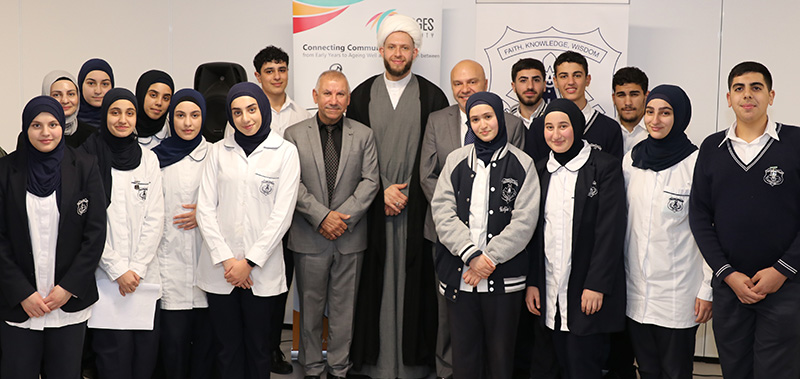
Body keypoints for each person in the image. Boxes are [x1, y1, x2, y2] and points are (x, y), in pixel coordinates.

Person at [345, 13, 449, 378]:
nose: (398, 52)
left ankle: (414, 366)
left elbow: (438, 155)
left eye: (405, 47)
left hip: (418, 207)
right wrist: (381, 188)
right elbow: (352, 155)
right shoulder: (359, 96)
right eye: (392, 46)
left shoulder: (433, 96)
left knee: (416, 284)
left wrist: (405, 190)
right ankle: (373, 364)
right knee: (371, 285)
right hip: (374, 206)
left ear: (416, 52)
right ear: (381, 50)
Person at [689, 61, 800, 378]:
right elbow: (699, 214)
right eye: (739, 88)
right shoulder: (712, 147)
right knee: (735, 371)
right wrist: (727, 274)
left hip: (786, 286)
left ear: (771, 95)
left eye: (756, 87)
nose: (747, 95)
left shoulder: (795, 143)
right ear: (728, 98)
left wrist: (783, 269)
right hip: (730, 287)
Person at [419, 59, 524, 379]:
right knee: (450, 322)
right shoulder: (437, 120)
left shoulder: (513, 124)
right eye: (458, 84)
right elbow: (427, 174)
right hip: (449, 240)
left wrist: (485, 254)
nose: (464, 89)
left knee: (497, 336)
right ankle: (446, 372)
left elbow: (513, 191)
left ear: (486, 82)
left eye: (472, 82)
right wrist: (460, 230)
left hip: (499, 251)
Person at [196, 82, 299, 379]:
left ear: (262, 109)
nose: (245, 118)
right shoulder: (218, 152)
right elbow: (205, 209)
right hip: (222, 270)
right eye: (237, 112)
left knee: (258, 349)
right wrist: (229, 261)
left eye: (251, 110)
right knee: (226, 349)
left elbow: (282, 215)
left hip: (261, 272)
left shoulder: (285, 152)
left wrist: (249, 262)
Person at [0, 96, 106, 379]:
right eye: (36, 125)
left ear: (63, 126)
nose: (45, 132)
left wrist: (69, 286)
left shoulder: (85, 166)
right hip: (18, 304)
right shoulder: (4, 171)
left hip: (67, 302)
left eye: (53, 124)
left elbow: (94, 234)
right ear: (25, 128)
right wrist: (23, 292)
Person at [283, 70, 379, 379]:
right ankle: (312, 368)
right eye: (327, 93)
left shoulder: (364, 134)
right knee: (310, 309)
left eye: (340, 95)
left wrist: (341, 218)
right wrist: (322, 217)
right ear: (315, 96)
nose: (333, 100)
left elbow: (370, 182)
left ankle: (339, 368)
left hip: (350, 238)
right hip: (309, 235)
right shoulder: (294, 134)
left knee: (344, 310)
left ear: (348, 99)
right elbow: (292, 184)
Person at [526, 99, 626, 379]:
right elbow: (533, 233)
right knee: (546, 366)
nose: (556, 134)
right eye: (548, 127)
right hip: (547, 288)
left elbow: (611, 232)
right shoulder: (539, 169)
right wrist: (533, 282)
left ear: (577, 127)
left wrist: (596, 285)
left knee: (583, 366)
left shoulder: (604, 167)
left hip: (586, 290)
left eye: (563, 126)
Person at [624, 84, 712, 378]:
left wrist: (707, 289)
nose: (655, 120)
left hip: (678, 293)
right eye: (650, 111)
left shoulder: (696, 163)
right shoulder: (632, 160)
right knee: (647, 369)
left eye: (665, 112)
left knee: (676, 372)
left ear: (680, 116)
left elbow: (709, 231)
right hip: (635, 291)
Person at [80, 88, 165, 379]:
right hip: (106, 280)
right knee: (111, 361)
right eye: (115, 112)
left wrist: (137, 268)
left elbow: (156, 217)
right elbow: (90, 223)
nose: (122, 119)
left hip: (143, 277)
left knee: (144, 360)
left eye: (129, 113)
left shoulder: (149, 159)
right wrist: (117, 269)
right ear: (105, 116)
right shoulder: (87, 158)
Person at [151, 89, 213, 379]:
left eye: (195, 115)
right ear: (170, 118)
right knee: (172, 348)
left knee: (204, 349)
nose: (188, 123)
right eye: (180, 115)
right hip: (169, 267)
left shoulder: (216, 155)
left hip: (208, 266)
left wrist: (205, 214)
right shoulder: (153, 159)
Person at [525, 51, 623, 162]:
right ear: (555, 82)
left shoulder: (610, 128)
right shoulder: (539, 127)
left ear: (587, 80)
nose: (571, 82)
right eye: (564, 76)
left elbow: (613, 174)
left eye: (577, 75)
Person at [42, 70, 96, 147]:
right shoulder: (35, 136)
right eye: (57, 95)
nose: (65, 100)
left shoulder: (91, 134)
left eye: (71, 94)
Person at [613, 67, 650, 155]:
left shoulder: (657, 132)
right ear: (613, 98)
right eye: (621, 95)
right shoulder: (605, 131)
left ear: (646, 96)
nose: (628, 103)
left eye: (634, 95)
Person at [135, 70, 174, 150]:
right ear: (141, 94)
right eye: (153, 95)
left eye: (166, 98)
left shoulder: (174, 131)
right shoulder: (123, 127)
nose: (159, 103)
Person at [77, 58, 114, 130]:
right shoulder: (67, 124)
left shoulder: (122, 122)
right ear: (81, 85)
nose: (98, 91)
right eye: (91, 83)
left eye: (105, 84)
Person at [510, 58, 548, 128]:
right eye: (523, 80)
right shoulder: (506, 121)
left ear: (544, 85)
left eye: (536, 80)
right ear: (514, 86)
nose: (530, 86)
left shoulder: (556, 116)